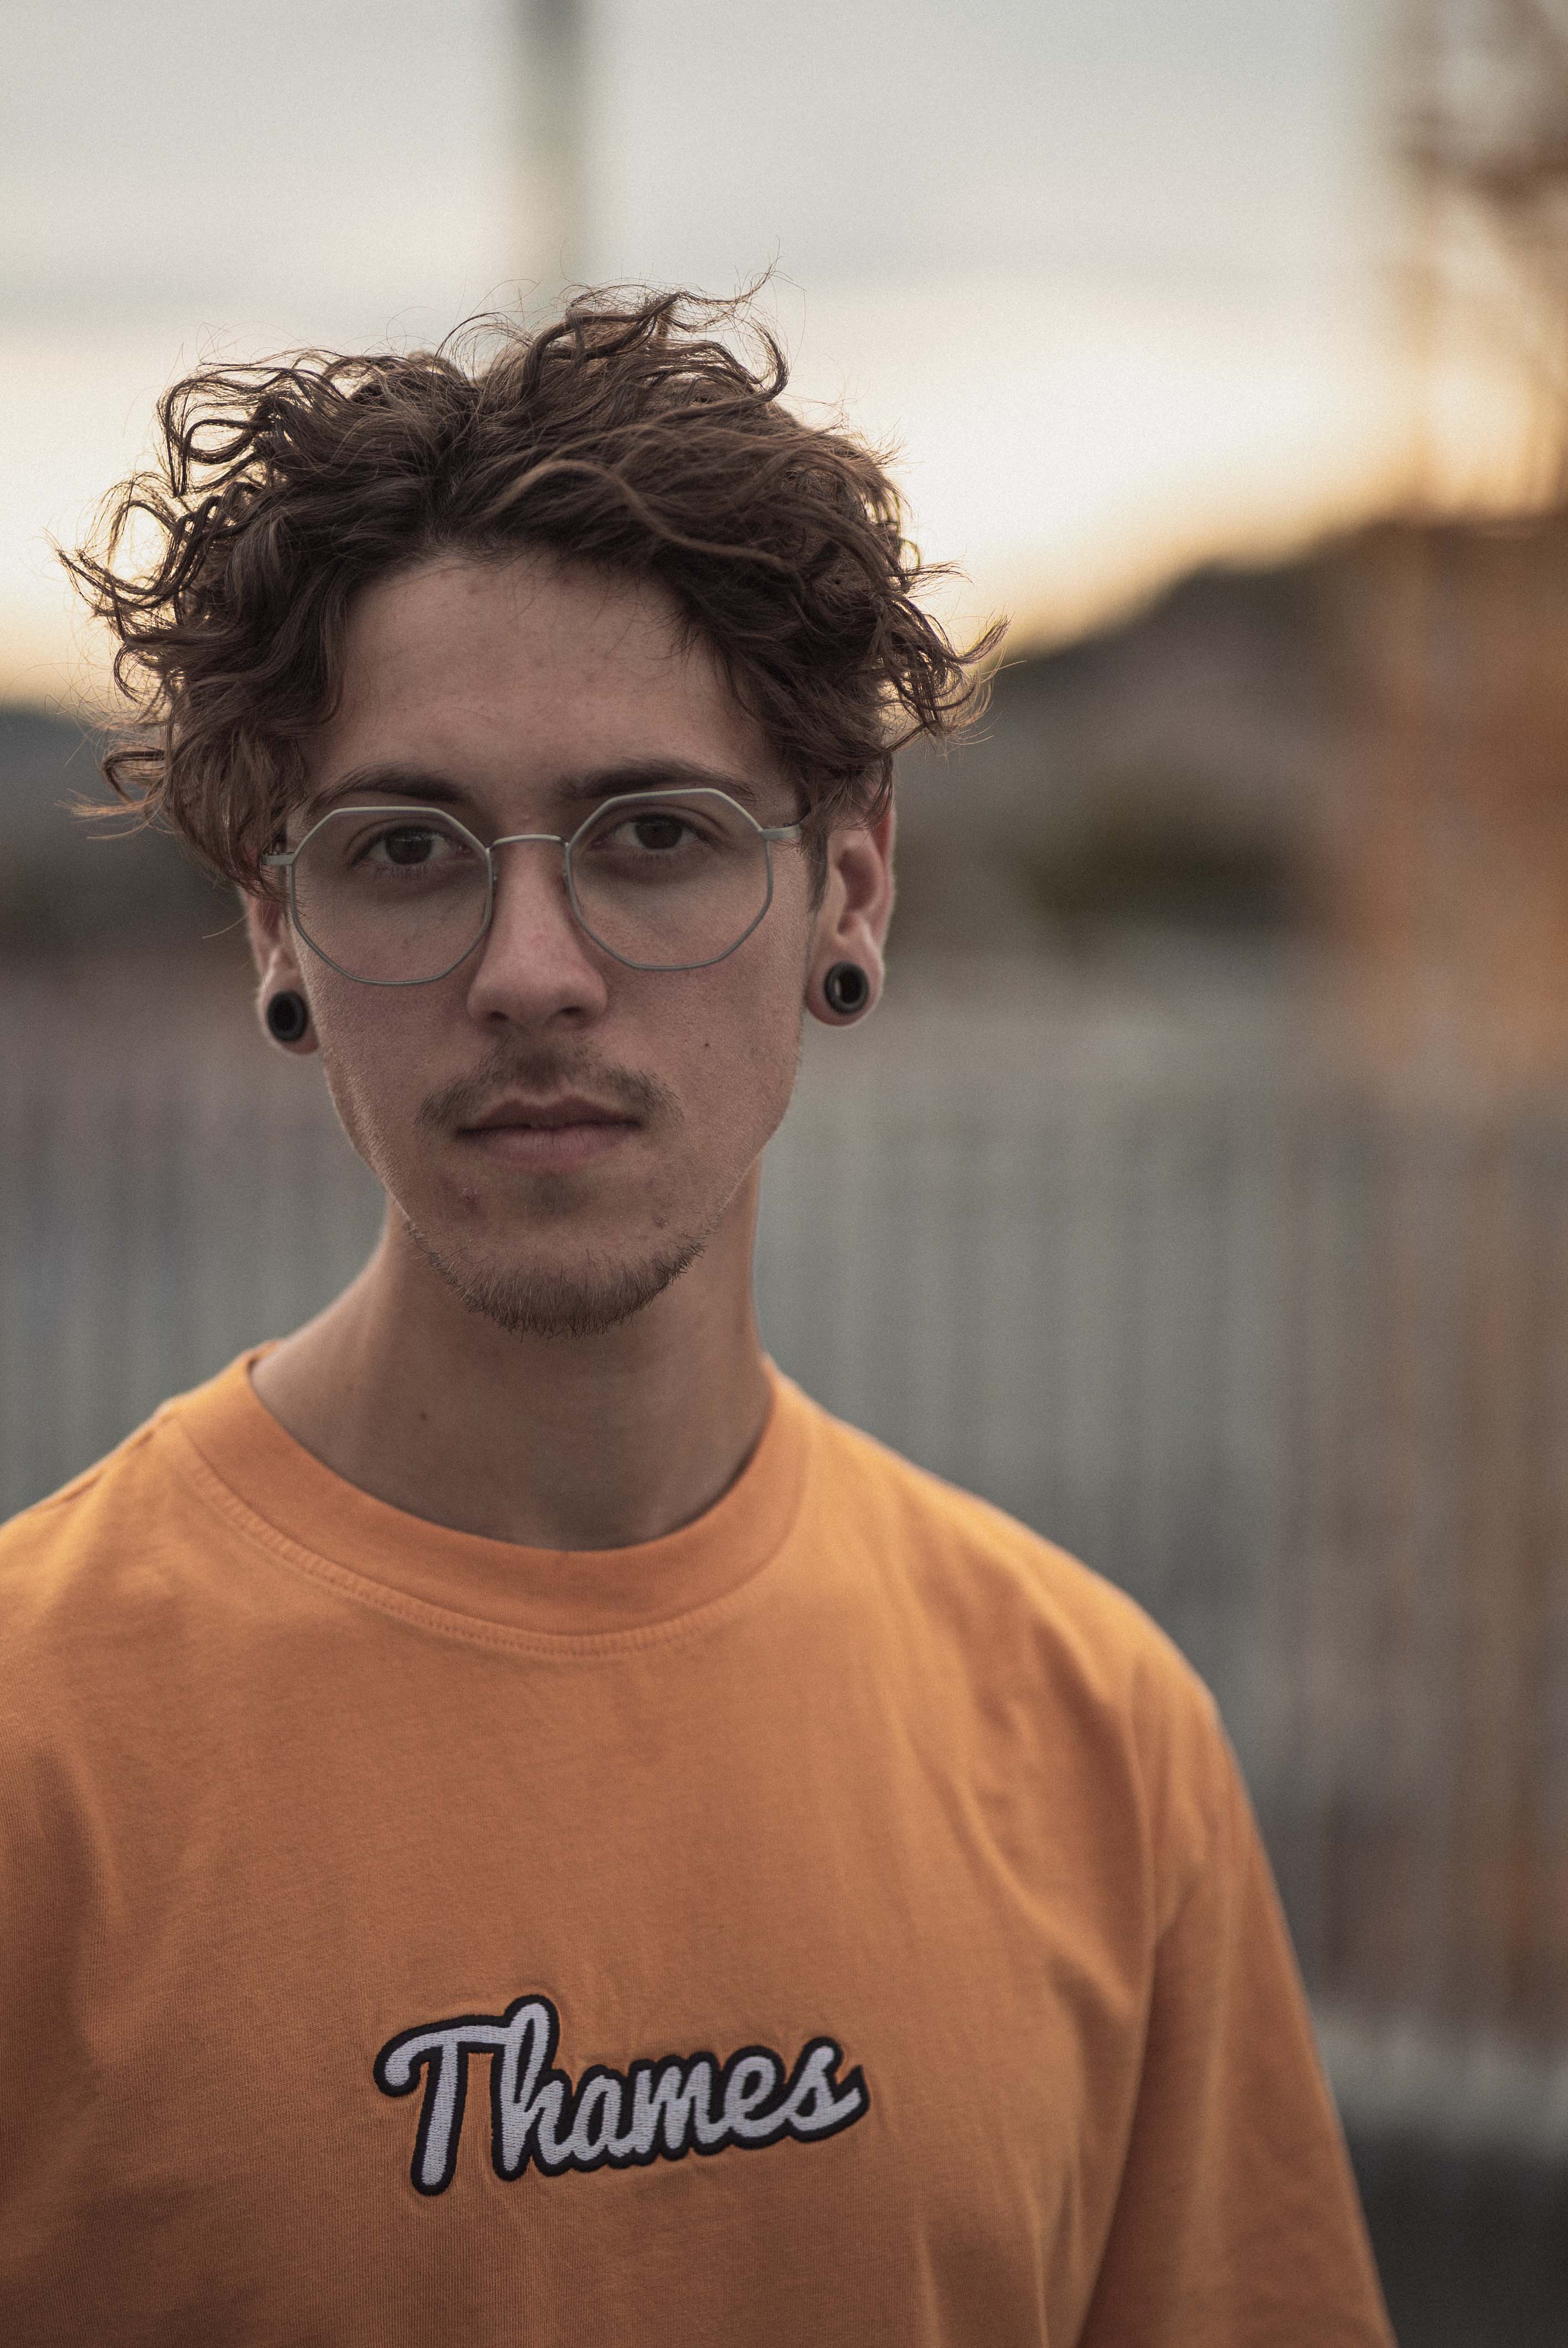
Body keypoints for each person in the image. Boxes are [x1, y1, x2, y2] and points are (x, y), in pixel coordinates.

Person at [0, 289, 1392, 2345]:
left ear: (852, 887)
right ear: (278, 923)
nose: (531, 969)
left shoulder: (1099, 1742)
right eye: (408, 850)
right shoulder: (37, 1747)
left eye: (654, 836)